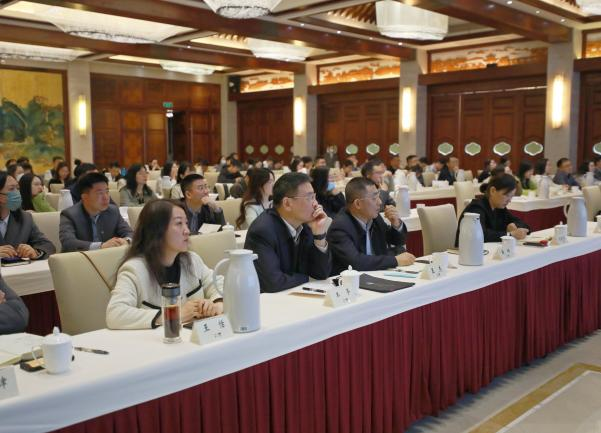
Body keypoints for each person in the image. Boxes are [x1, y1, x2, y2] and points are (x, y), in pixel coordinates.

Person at [106, 199, 223, 329]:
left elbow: (220, 285)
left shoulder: (191, 260)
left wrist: (217, 304)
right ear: (157, 230)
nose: (187, 231)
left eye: (186, 223)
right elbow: (115, 313)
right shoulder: (135, 269)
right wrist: (173, 315)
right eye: (179, 223)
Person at [244, 172, 331, 293]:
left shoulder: (305, 225)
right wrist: (308, 278)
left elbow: (321, 273)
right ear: (287, 203)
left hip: (296, 295)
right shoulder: (262, 231)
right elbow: (274, 283)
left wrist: (319, 235)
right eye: (309, 198)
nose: (316, 204)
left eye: (314, 197)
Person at [328, 177, 415, 274]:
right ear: (357, 204)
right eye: (374, 198)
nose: (380, 202)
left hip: (378, 273)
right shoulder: (340, 227)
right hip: (352, 280)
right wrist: (395, 260)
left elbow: (397, 241)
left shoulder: (374, 218)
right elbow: (356, 262)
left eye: (378, 196)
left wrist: (396, 224)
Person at [59, 172, 133, 252]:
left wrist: (126, 240)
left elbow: (129, 232)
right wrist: (101, 246)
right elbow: (68, 243)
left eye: (107, 192)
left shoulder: (113, 211)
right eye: (100, 193)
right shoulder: (69, 215)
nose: (106, 197)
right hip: (80, 258)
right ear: (85, 197)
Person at [455, 174, 530, 245]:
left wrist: (514, 225)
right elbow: (481, 235)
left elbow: (524, 225)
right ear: (493, 191)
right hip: (467, 251)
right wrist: (510, 234)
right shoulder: (476, 208)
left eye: (511, 197)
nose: (509, 200)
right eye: (507, 195)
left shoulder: (500, 208)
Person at [0, 172, 55, 259]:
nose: (17, 193)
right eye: (11, 189)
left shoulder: (25, 218)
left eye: (18, 188)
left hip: (20, 267)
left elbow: (47, 245)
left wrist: (35, 252)